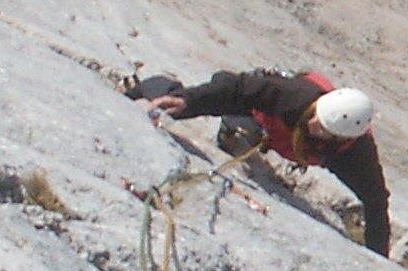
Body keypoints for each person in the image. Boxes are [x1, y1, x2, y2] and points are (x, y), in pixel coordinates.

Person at [130, 68, 390, 256]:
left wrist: (377, 258)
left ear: (339, 138)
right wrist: (190, 99)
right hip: (259, 114)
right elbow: (239, 88)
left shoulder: (356, 155)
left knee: (248, 133)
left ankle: (239, 134)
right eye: (317, 116)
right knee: (180, 107)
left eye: (322, 128)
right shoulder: (295, 95)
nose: (313, 123)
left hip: (275, 135)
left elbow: (376, 202)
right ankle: (148, 87)